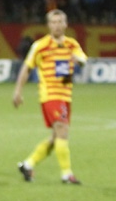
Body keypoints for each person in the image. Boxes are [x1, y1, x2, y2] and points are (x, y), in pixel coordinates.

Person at [13, 9, 87, 185]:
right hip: (50, 95)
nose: (57, 25)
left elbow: (83, 59)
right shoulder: (40, 46)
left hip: (66, 96)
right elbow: (27, 67)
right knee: (62, 130)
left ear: (66, 24)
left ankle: (28, 164)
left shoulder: (71, 44)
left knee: (56, 137)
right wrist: (18, 91)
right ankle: (66, 174)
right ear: (48, 25)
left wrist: (79, 61)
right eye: (53, 22)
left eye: (60, 22)